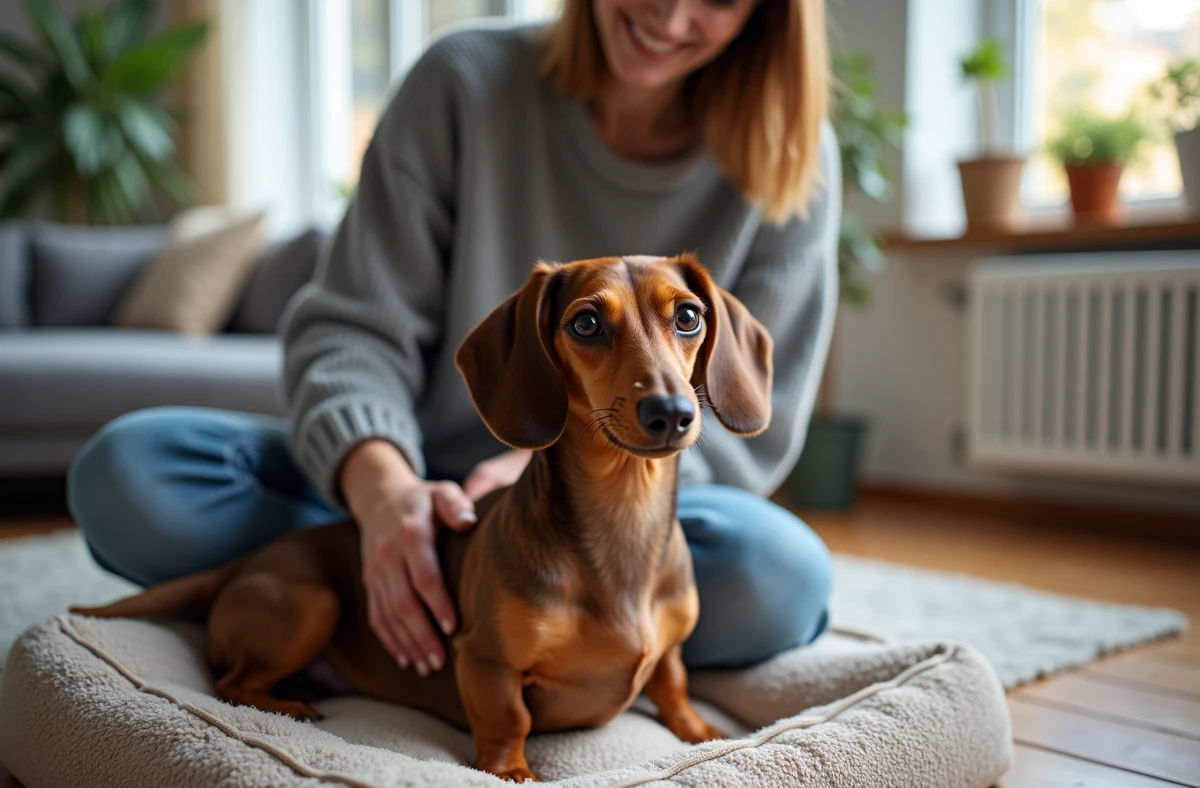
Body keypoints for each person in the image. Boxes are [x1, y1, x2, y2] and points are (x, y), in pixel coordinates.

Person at [69, 0, 840, 681]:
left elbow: (744, 417)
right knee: (129, 473)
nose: (671, 16)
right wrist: (386, 497)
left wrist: (544, 471)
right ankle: (385, 573)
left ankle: (419, 607)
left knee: (781, 576)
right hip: (406, 481)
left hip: (617, 507)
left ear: (767, 12)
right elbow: (350, 330)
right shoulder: (461, 81)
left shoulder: (791, 157)